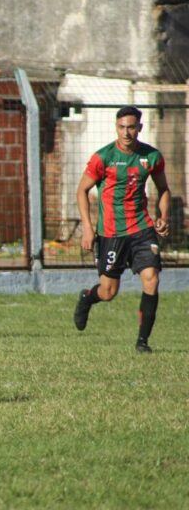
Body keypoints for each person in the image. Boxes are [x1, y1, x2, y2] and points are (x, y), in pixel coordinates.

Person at [73, 106, 171, 353]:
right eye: (121, 127)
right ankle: (88, 297)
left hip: (142, 228)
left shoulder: (152, 157)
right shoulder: (103, 157)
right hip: (111, 232)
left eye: (131, 127)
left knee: (151, 278)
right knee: (108, 292)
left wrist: (163, 216)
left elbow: (163, 190)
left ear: (140, 127)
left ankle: (142, 342)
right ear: (116, 127)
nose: (126, 132)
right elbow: (82, 190)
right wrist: (88, 228)